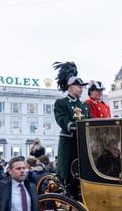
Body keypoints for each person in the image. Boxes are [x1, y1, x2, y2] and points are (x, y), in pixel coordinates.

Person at [53, 61, 90, 197]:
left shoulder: (85, 106)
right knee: (68, 171)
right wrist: (77, 126)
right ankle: (66, 191)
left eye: (81, 87)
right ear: (70, 88)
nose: (81, 89)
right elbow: (62, 120)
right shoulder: (61, 103)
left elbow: (90, 121)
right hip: (69, 142)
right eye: (78, 87)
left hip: (82, 142)